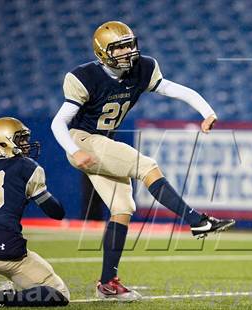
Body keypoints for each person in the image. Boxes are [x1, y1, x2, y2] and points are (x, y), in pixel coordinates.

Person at [51, 21, 235, 300]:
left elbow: (178, 89)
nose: (127, 51)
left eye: (129, 44)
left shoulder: (143, 68)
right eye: (119, 47)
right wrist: (74, 150)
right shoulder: (84, 77)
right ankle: (197, 220)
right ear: (103, 53)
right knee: (146, 166)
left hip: (101, 143)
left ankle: (107, 284)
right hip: (82, 139)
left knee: (122, 208)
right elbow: (58, 123)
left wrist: (207, 112)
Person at [0, 117, 69, 307]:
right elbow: (56, 212)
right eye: (20, 139)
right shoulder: (26, 167)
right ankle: (4, 298)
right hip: (5, 250)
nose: (25, 144)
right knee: (59, 293)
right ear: (3, 141)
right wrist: (40, 193)